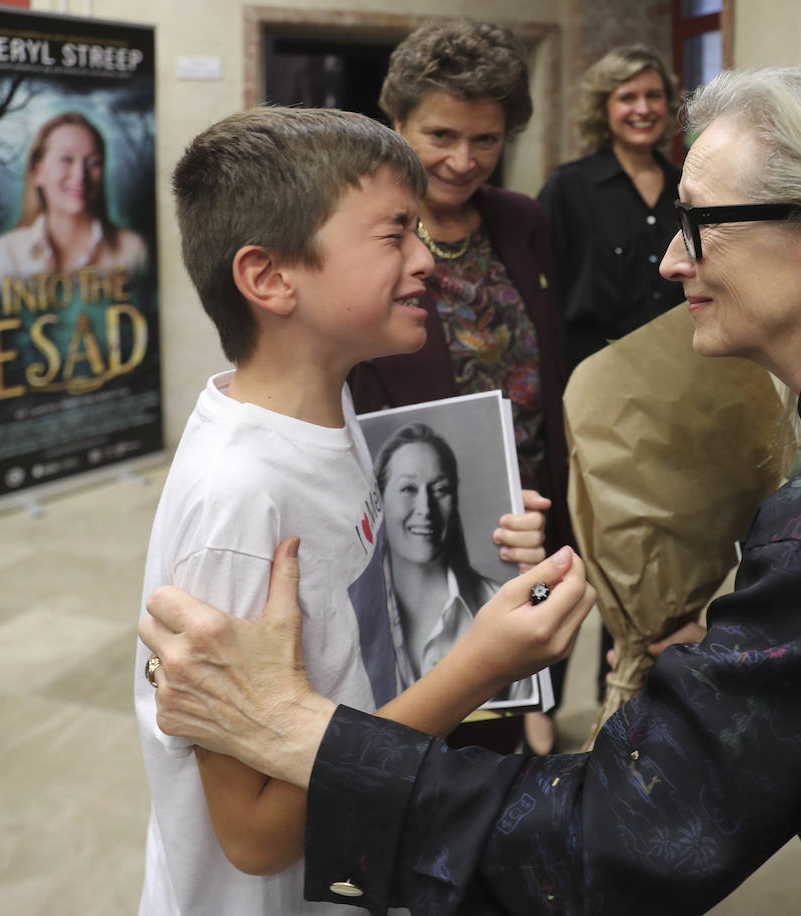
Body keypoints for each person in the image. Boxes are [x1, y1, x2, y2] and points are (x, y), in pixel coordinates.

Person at [140, 67, 801, 914]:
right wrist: (748, 647)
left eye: (702, 224)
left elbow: (616, 840)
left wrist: (308, 734)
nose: (669, 261)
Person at [133, 107, 567, 915]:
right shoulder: (240, 505)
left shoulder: (340, 422)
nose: (427, 261)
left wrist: (486, 540)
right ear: (270, 278)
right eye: (394, 235)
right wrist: (480, 667)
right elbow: (254, 835)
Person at [350, 18, 573, 755]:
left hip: (530, 519)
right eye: (440, 134)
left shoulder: (523, 220)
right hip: (419, 528)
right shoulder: (366, 233)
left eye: (485, 139)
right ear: (397, 121)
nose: (462, 159)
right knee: (433, 737)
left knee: (515, 712)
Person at [538, 44, 685, 371]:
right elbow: (546, 293)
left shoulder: (687, 186)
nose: (643, 108)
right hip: (596, 375)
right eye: (627, 97)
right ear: (603, 108)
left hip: (681, 370)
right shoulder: (568, 187)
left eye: (654, 96)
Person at [373, 423, 533, 702]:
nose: (426, 509)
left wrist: (542, 586)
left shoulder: (498, 603)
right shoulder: (354, 615)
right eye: (408, 488)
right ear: (379, 501)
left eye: (440, 489)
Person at [0, 111, 146, 301]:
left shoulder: (133, 251)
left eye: (94, 162)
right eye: (66, 159)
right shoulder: (1, 256)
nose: (80, 175)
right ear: (38, 171)